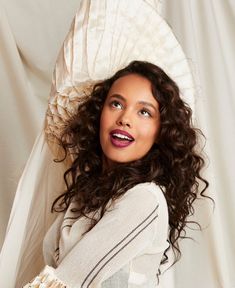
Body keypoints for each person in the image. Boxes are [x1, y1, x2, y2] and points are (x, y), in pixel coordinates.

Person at [22, 60, 208, 288]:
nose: (125, 119)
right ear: (99, 114)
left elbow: (68, 280)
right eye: (117, 104)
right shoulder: (85, 195)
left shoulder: (145, 199)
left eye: (144, 112)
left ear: (161, 132)